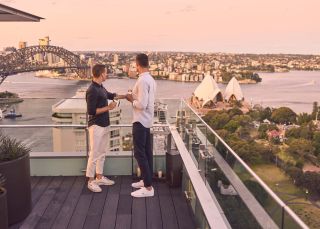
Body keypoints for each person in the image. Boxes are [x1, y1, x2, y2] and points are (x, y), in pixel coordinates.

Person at [86, 64, 126, 192]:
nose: (107, 74)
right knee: (94, 154)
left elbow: (110, 95)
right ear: (101, 74)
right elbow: (91, 111)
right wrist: (109, 108)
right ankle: (90, 181)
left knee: (102, 152)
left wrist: (125, 96)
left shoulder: (100, 87)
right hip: (96, 125)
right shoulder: (92, 90)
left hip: (104, 124)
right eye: (106, 73)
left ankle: (99, 177)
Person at [126, 53, 156, 198]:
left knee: (139, 153)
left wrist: (131, 100)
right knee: (146, 152)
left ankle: (148, 188)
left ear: (138, 65)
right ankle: (146, 180)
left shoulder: (143, 81)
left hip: (140, 120)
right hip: (147, 120)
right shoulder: (151, 79)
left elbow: (142, 104)